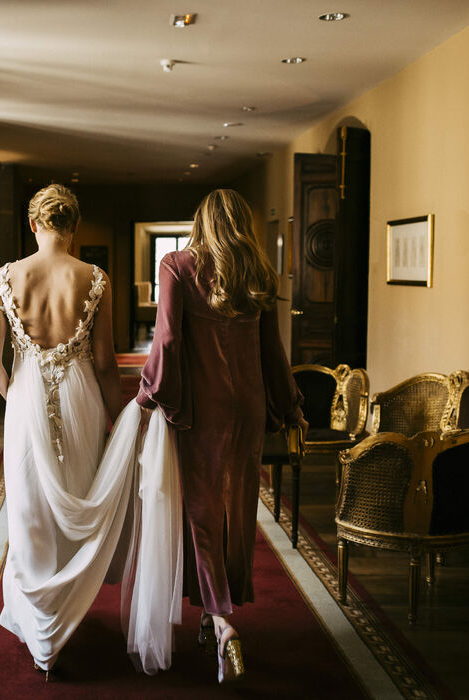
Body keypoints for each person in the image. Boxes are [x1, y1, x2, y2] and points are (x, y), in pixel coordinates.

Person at [0, 185, 182, 678]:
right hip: (82, 403)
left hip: (26, 403)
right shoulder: (95, 279)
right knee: (80, 502)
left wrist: (20, 405)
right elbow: (106, 364)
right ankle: (64, 615)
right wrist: (116, 423)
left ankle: (43, 638)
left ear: (34, 225)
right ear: (73, 228)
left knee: (30, 513)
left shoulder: (6, 278)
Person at [136, 188, 306, 684]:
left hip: (202, 410)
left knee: (202, 513)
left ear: (202, 221)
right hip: (247, 408)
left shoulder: (176, 265)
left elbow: (166, 338)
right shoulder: (257, 274)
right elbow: (273, 349)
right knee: (236, 508)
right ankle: (212, 616)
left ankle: (224, 622)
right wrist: (289, 405)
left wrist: (150, 393)